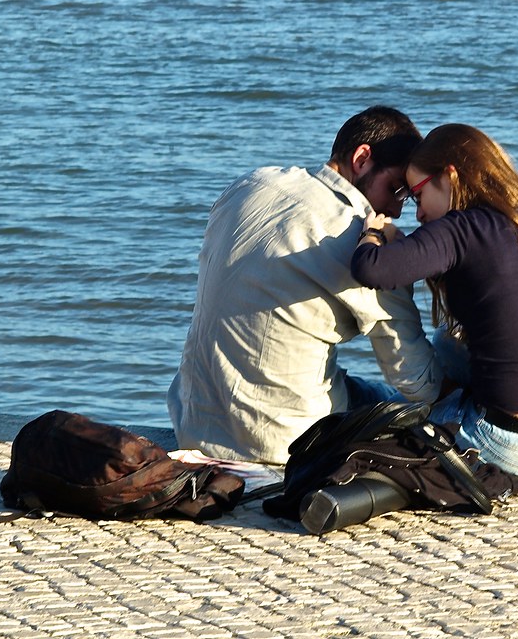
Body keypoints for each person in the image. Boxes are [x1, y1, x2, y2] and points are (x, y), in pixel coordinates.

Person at [167, 106, 442, 465]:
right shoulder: (364, 239)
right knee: (411, 404)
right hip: (286, 441)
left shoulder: (250, 183)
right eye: (396, 189)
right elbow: (419, 383)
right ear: (361, 159)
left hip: (194, 423)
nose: (396, 208)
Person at [350, 123, 518, 477]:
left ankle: (352, 393)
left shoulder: (460, 229)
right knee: (448, 344)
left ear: (450, 177)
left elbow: (371, 268)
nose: (418, 213)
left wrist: (373, 232)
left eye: (418, 195)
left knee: (389, 414)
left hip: (510, 443)